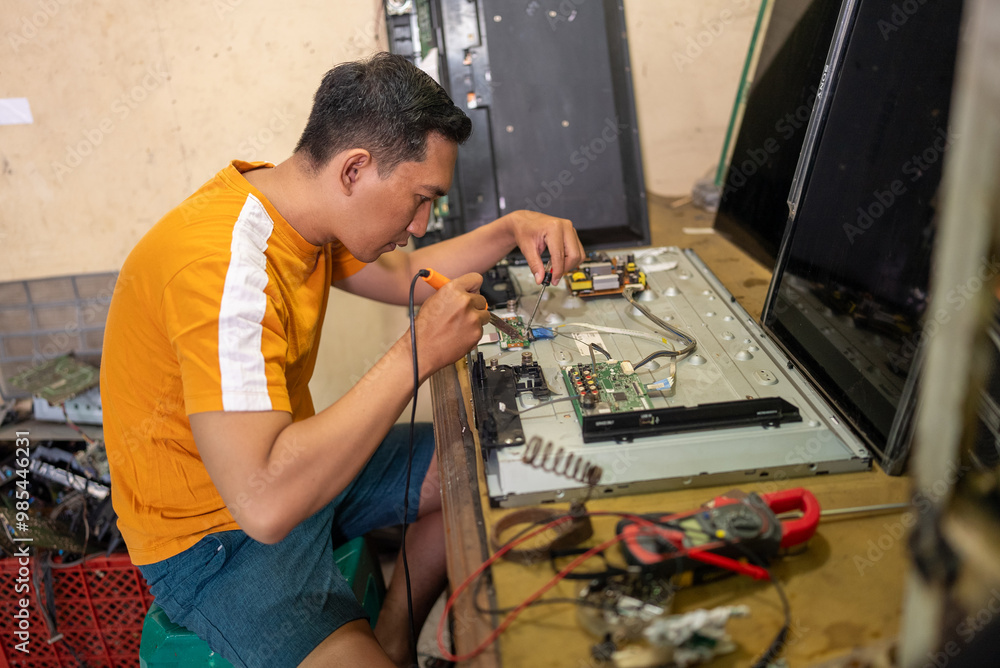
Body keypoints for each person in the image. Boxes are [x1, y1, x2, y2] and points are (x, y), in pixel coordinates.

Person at [100, 51, 584, 667]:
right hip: (214, 535)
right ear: (355, 169)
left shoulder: (299, 210)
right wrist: (417, 353)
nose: (420, 223)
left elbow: (410, 271)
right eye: (419, 198)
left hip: (286, 464)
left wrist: (512, 227)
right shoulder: (222, 270)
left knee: (482, 457)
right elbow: (266, 506)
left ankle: (396, 627)